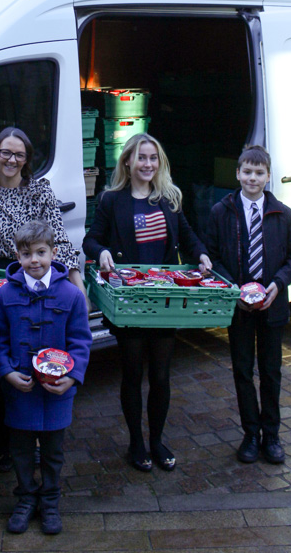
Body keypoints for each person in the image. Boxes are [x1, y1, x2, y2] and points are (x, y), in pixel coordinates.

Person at [82, 133, 211, 472]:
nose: (148, 164)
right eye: (142, 158)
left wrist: (200, 255)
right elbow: (90, 240)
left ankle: (156, 439)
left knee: (162, 375)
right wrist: (103, 251)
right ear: (127, 161)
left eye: (153, 158)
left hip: (164, 300)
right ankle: (136, 443)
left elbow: (187, 235)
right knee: (132, 373)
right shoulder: (112, 200)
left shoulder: (169, 198)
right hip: (131, 301)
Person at [0, 127, 84, 471]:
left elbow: (57, 236)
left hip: (30, 281)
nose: (11, 160)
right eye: (5, 152)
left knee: (30, 356)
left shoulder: (40, 191)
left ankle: (37, 440)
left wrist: (75, 279)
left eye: (18, 154)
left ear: (27, 160)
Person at [0, 220, 91, 536]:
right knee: (20, 450)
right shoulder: (6, 295)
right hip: (20, 388)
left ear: (54, 252)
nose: (34, 260)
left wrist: (72, 377)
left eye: (41, 252)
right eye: (26, 254)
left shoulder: (72, 296)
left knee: (53, 451)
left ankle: (50, 501)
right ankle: (25, 499)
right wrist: (6, 372)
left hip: (56, 391)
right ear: (17, 256)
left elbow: (80, 341)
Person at [206, 144, 291, 465]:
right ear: (237, 174)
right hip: (239, 307)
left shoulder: (282, 214)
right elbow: (213, 255)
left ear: (269, 176)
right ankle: (250, 433)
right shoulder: (222, 211)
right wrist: (233, 289)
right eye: (247, 171)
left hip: (272, 305)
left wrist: (277, 284)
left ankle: (271, 434)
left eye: (259, 173)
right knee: (243, 370)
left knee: (271, 371)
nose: (252, 178)